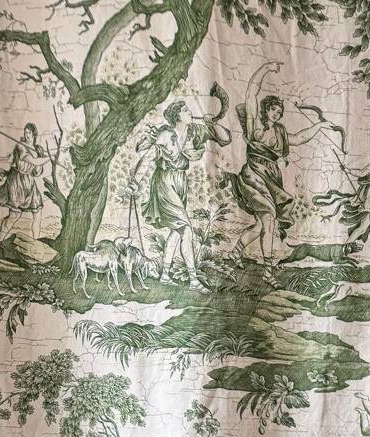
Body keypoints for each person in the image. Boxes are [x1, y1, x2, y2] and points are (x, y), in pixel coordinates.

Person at [228, 63, 329, 262]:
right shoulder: (255, 124)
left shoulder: (280, 131)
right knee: (268, 219)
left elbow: (299, 138)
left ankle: (234, 253)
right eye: (273, 109)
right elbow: (251, 92)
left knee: (260, 225)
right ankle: (268, 269)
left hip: (271, 179)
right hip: (254, 176)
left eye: (279, 111)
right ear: (265, 109)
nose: (276, 113)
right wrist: (265, 68)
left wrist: (320, 126)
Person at [132, 99, 228, 284]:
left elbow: (224, 138)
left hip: (180, 182)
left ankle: (165, 276)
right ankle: (193, 280)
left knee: (177, 231)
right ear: (177, 116)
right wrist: (135, 183)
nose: (189, 112)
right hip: (164, 182)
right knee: (185, 230)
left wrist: (212, 124)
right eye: (185, 110)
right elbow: (148, 157)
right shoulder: (166, 135)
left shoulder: (194, 132)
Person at [0, 124, 46, 235]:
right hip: (17, 181)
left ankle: (35, 242)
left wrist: (41, 158)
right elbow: (31, 160)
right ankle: (0, 238)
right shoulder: (20, 146)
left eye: (29, 133)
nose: (27, 135)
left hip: (29, 182)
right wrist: (47, 158)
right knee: (14, 215)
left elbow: (36, 172)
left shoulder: (37, 149)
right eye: (25, 132)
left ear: (34, 134)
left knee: (38, 213)